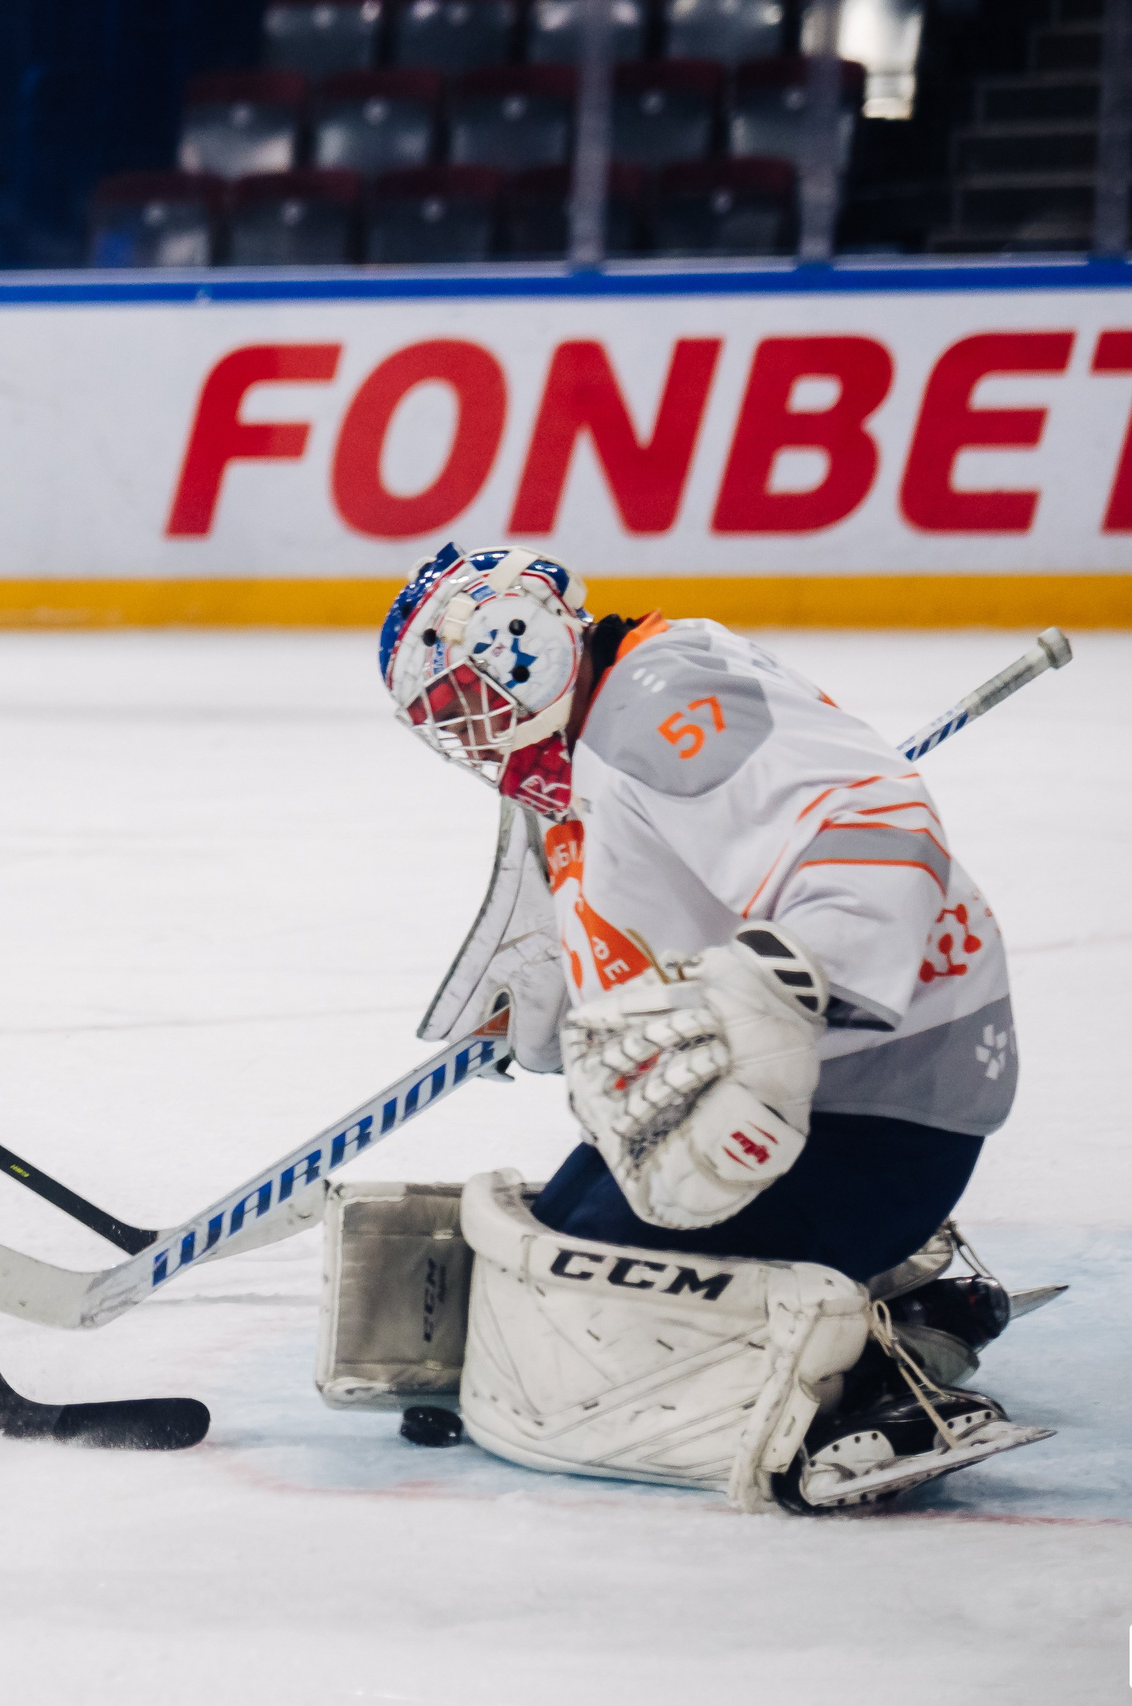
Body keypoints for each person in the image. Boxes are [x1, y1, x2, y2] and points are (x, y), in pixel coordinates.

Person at [376, 545, 1048, 1510]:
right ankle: (902, 1297)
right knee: (558, 1249)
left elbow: (882, 823)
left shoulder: (654, 706)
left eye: (461, 705)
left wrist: (775, 989)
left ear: (516, 650)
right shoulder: (597, 729)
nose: (468, 740)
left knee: (586, 1296)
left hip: (885, 1099)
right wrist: (559, 990)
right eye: (444, 725)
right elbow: (649, 899)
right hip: (836, 1089)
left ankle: (876, 1386)